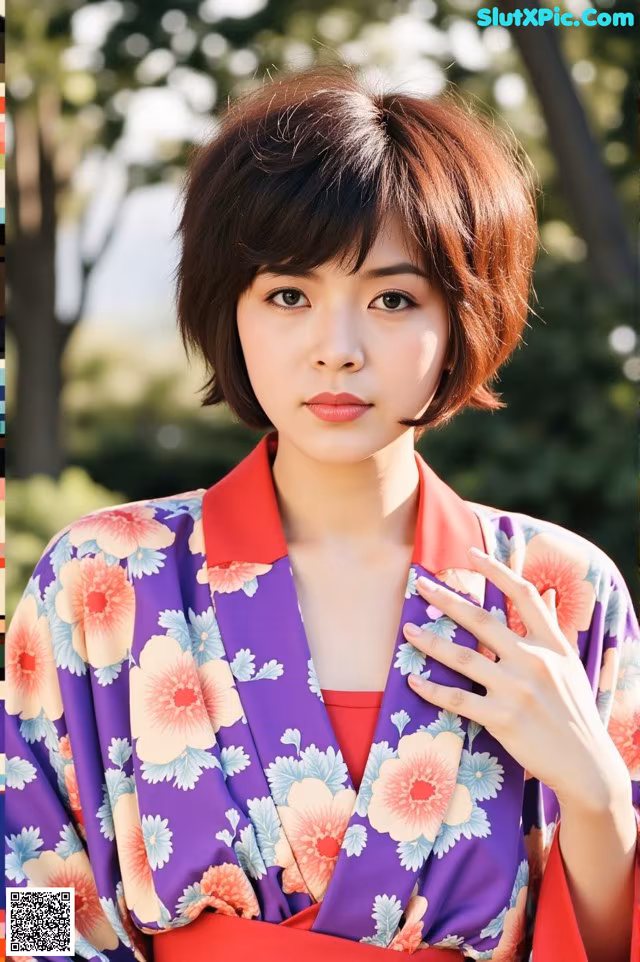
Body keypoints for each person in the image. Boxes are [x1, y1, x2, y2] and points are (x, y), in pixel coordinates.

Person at [5, 65, 639, 962]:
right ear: (232, 309)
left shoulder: (563, 594)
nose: (336, 351)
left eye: (392, 299)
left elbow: (610, 945)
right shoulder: (102, 578)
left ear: (464, 315)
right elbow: (25, 893)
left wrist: (599, 797)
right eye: (289, 295)